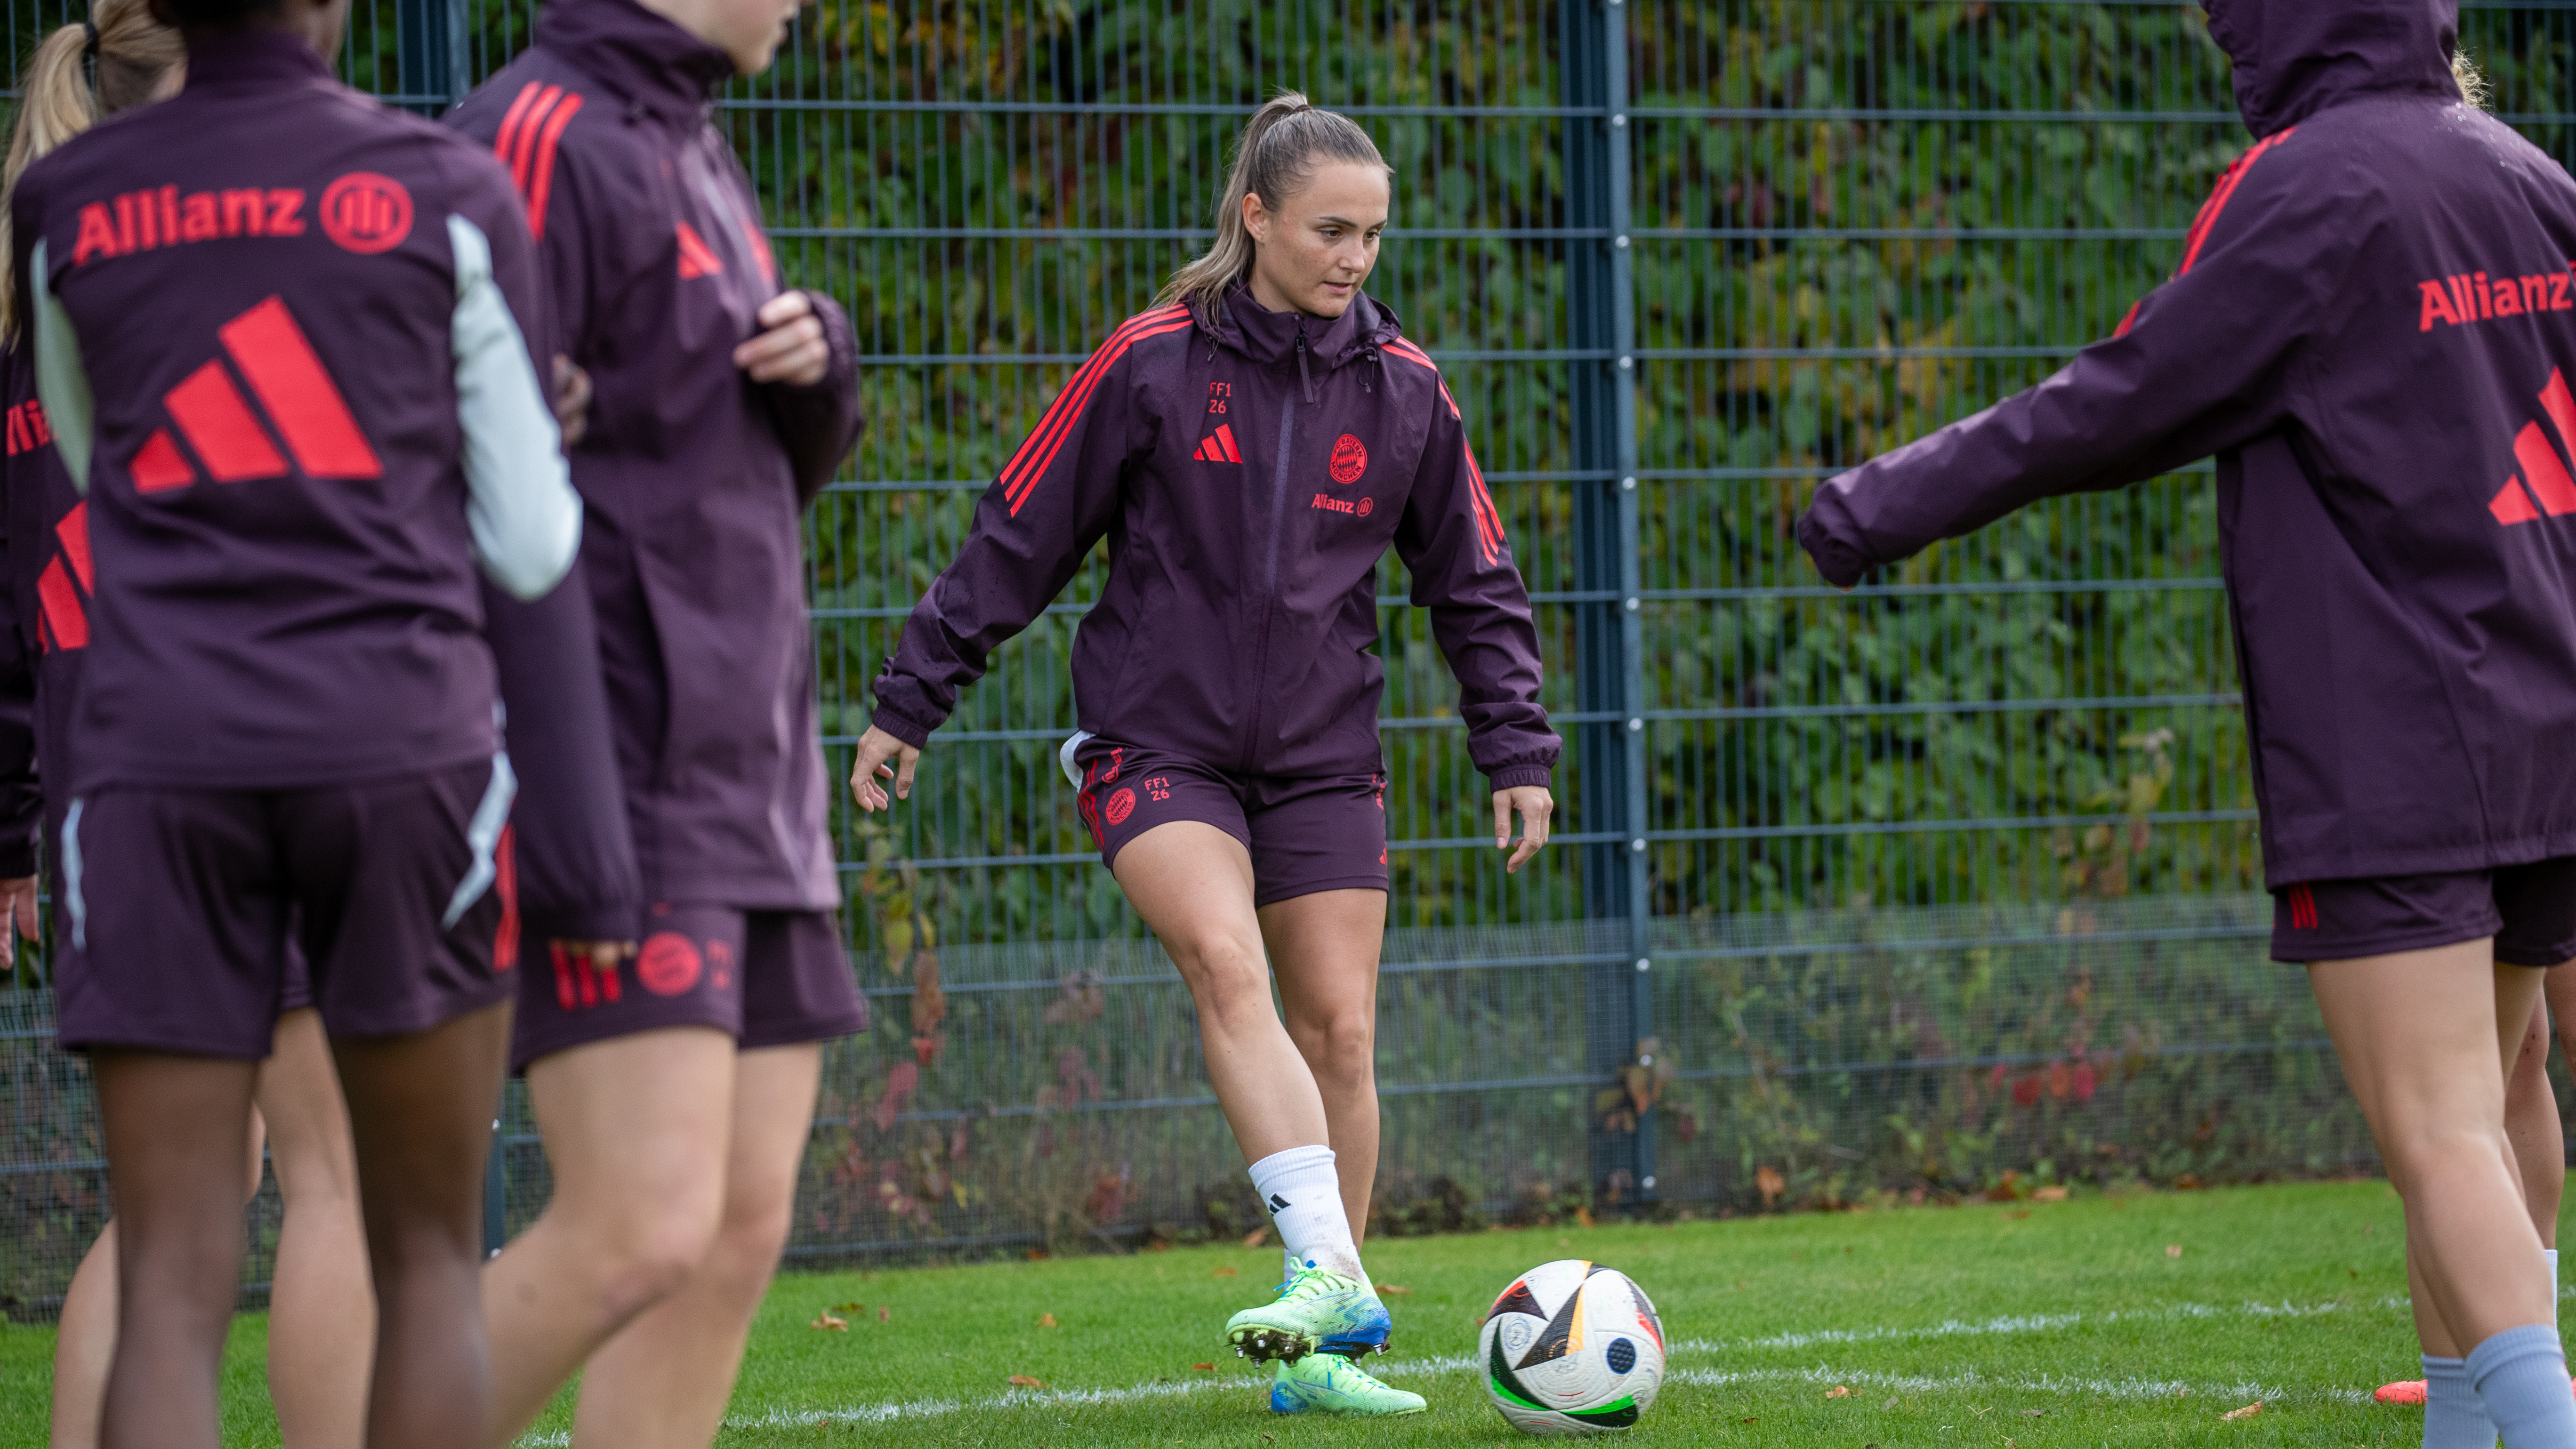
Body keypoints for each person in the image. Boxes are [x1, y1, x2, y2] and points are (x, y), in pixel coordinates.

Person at [1796, 1, 2576, 1444]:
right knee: (2507, 1079)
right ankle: (2472, 1430)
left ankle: (2542, 1427)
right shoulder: (2528, 175)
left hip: (2402, 731)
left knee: (2439, 1126)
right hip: (2553, 709)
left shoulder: (2304, 189)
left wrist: (1875, 503)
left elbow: (2124, 397)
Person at [848, 92, 1559, 1417]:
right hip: (1154, 740)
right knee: (1226, 964)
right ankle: (1335, 1282)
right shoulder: (1150, 361)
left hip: (1322, 753)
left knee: (1342, 1033)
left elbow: (1475, 582)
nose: (1356, 257)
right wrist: (910, 698)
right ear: (1256, 218)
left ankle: (1331, 1363)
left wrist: (1514, 742)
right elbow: (1020, 535)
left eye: (1374, 235)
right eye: (1330, 229)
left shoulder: (1406, 389)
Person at [9, 0, 635, 1440]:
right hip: (399, 752)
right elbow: (533, 545)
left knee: (171, 1270)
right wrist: (592, 852)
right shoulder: (450, 189)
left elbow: (100, 468)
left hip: (152, 759)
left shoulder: (61, 200)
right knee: (419, 1256)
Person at [443, 0, 865, 1442]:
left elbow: (701, 472)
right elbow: (460, 485)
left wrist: (828, 375)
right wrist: (566, 806)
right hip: (623, 763)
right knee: (637, 1226)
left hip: (755, 764)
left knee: (738, 1228)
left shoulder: (693, 139)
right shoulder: (530, 136)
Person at [0, 7, 378, 1445]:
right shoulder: (232, 259)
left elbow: (7, 622)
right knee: (339, 1176)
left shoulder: (37, 312)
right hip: (259, 751)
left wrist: (10, 830)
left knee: (176, 1210)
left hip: (104, 790)